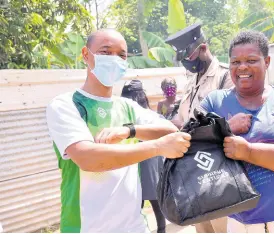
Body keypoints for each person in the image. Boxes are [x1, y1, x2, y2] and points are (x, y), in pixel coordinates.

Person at [46, 29, 191, 233]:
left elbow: (169, 130)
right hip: (86, 227)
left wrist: (130, 131)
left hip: (134, 226)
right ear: (86, 55)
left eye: (121, 55)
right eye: (105, 52)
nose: (114, 59)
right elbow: (89, 159)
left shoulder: (127, 107)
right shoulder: (65, 105)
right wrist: (157, 147)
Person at [199, 30, 274, 233]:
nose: (242, 67)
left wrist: (248, 152)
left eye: (251, 60)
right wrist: (227, 128)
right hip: (239, 222)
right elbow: (188, 143)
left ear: (267, 62)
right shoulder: (215, 102)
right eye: (235, 62)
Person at [164, 22, 234, 233]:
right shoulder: (192, 80)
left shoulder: (225, 77)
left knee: (222, 227)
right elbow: (182, 117)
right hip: (194, 171)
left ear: (203, 48)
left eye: (189, 57)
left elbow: (229, 123)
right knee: (203, 229)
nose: (186, 63)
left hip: (218, 172)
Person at [121, 79, 166, 233]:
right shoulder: (144, 114)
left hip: (143, 162)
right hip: (142, 163)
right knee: (149, 204)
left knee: (147, 204)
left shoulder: (144, 115)